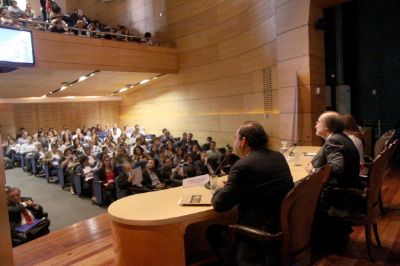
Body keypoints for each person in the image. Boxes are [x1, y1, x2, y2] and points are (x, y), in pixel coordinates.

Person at [208, 121, 294, 265]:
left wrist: (219, 189)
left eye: (236, 138)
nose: (234, 142)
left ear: (243, 141)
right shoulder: (278, 157)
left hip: (257, 233)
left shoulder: (242, 166)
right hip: (280, 225)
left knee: (212, 231)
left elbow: (219, 205)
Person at [305, 111, 363, 250]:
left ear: (327, 127)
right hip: (347, 188)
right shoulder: (340, 137)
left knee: (302, 198)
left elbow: (337, 168)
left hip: (340, 195)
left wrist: (312, 171)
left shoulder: (334, 140)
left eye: (318, 122)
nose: (315, 124)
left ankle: (308, 243)